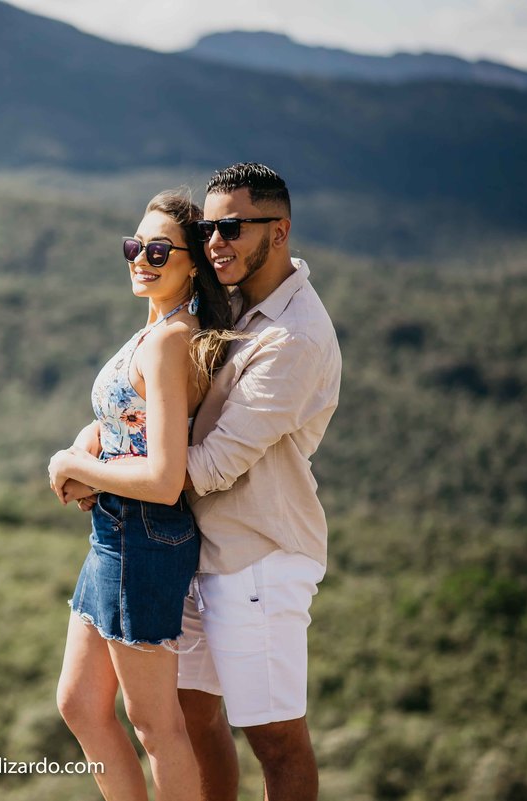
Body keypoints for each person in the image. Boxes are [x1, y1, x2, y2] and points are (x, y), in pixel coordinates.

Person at [47, 189, 239, 801]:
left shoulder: (167, 341)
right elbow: (128, 419)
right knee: (79, 704)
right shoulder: (156, 327)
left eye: (159, 250)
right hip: (115, 531)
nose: (141, 258)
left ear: (193, 264)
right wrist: (90, 443)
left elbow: (161, 477)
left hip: (143, 535)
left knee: (156, 726)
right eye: (135, 246)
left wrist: (74, 463)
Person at [171, 163, 342, 801]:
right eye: (209, 228)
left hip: (259, 559)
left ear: (281, 229)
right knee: (189, 713)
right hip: (200, 551)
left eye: (234, 227)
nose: (215, 241)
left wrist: (112, 479)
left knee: (275, 739)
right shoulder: (234, 303)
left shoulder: (294, 336)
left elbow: (214, 465)